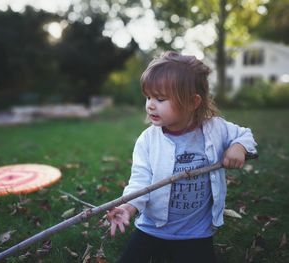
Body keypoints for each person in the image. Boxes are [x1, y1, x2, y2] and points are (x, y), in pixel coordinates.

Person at [106, 51, 257, 263]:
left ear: (193, 102)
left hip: (196, 232)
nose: (150, 104)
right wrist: (128, 207)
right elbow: (140, 181)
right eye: (148, 97)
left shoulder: (215, 129)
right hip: (152, 228)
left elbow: (244, 134)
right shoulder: (148, 140)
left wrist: (239, 147)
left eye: (160, 98)